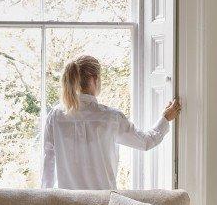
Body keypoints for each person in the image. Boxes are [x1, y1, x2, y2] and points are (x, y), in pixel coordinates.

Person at [41, 54, 181, 190]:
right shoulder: (110, 117)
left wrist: (46, 203)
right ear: (95, 79)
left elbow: (49, 162)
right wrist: (165, 118)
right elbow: (145, 142)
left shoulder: (55, 116)